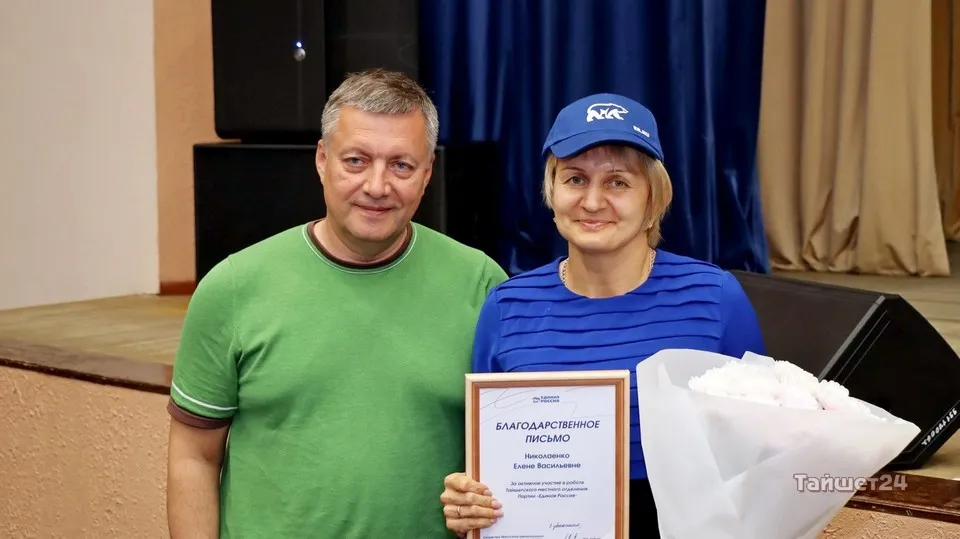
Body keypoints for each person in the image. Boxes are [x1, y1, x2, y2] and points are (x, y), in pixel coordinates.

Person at [165, 69, 508, 538]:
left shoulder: (483, 285)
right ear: (322, 160)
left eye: (401, 166)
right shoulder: (232, 288)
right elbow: (194, 457)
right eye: (356, 161)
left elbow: (509, 452)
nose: (377, 186)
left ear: (427, 174)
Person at [439, 93, 766, 538]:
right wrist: (471, 503)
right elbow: (488, 466)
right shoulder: (506, 308)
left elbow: (760, 457)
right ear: (552, 192)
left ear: (654, 198)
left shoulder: (716, 299)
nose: (592, 202)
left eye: (617, 182)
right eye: (575, 179)